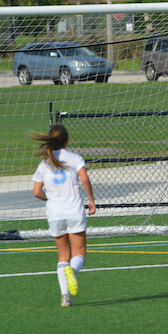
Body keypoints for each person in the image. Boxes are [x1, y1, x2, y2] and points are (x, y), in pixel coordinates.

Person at [31, 124, 96, 306]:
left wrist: (51, 198)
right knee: (79, 253)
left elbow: (36, 192)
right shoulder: (75, 158)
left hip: (54, 213)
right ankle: (72, 271)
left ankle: (65, 297)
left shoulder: (44, 163)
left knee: (62, 256)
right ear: (67, 141)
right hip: (74, 210)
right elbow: (84, 179)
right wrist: (91, 200)